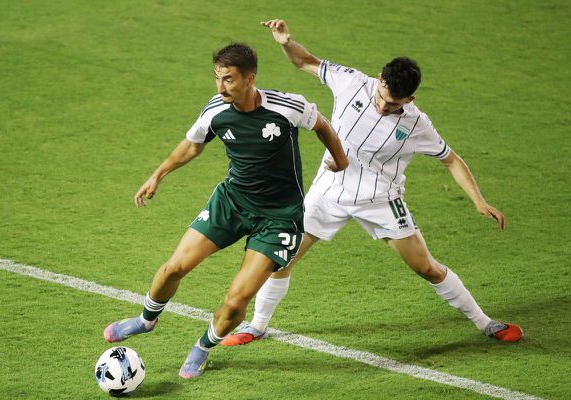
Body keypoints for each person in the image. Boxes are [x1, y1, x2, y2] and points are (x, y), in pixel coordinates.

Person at [220, 20, 523, 347]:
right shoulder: (351, 82)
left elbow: (450, 159)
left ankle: (485, 322)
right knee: (283, 258)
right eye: (382, 96)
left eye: (393, 104)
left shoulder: (417, 124)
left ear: (409, 98)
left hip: (381, 200)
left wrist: (478, 200)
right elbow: (305, 61)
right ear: (379, 78)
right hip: (328, 193)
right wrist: (285, 42)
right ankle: (257, 325)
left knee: (427, 268)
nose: (383, 105)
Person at [103, 43, 349, 379]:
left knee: (236, 302)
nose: (221, 87)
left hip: (278, 217)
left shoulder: (287, 106)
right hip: (232, 202)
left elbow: (322, 125)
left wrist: (341, 160)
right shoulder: (216, 109)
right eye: (217, 78)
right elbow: (193, 145)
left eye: (229, 79)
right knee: (173, 268)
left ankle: (202, 347)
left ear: (250, 79)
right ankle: (146, 319)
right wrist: (157, 175)